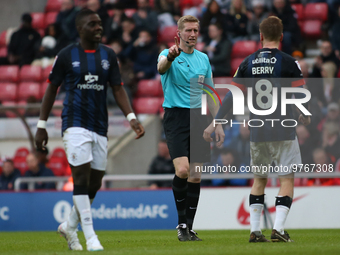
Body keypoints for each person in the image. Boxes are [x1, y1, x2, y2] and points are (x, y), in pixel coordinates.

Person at [35, 9, 145, 251]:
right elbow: (51, 89)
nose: (99, 27)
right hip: (74, 124)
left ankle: (69, 227)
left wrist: (131, 117)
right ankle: (91, 235)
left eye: (99, 23)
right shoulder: (66, 55)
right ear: (80, 29)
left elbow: (117, 88)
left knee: (94, 183)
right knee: (81, 178)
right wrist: (41, 126)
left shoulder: (108, 55)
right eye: (93, 24)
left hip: (99, 126)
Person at [203, 16, 311, 242]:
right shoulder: (290, 63)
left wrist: (217, 121)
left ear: (260, 37)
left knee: (259, 179)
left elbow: (233, 97)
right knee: (286, 179)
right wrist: (304, 113)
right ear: (281, 37)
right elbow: (300, 96)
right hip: (282, 129)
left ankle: (254, 231)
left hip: (258, 130)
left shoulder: (247, 63)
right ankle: (279, 229)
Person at [157, 15, 224, 241]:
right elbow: (161, 67)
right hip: (176, 115)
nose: (193, 34)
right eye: (188, 30)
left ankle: (189, 228)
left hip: (200, 116)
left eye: (195, 30)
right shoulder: (168, 54)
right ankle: (181, 223)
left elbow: (210, 93)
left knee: (195, 175)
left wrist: (218, 124)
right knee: (183, 170)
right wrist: (170, 56)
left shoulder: (203, 59)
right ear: (179, 33)